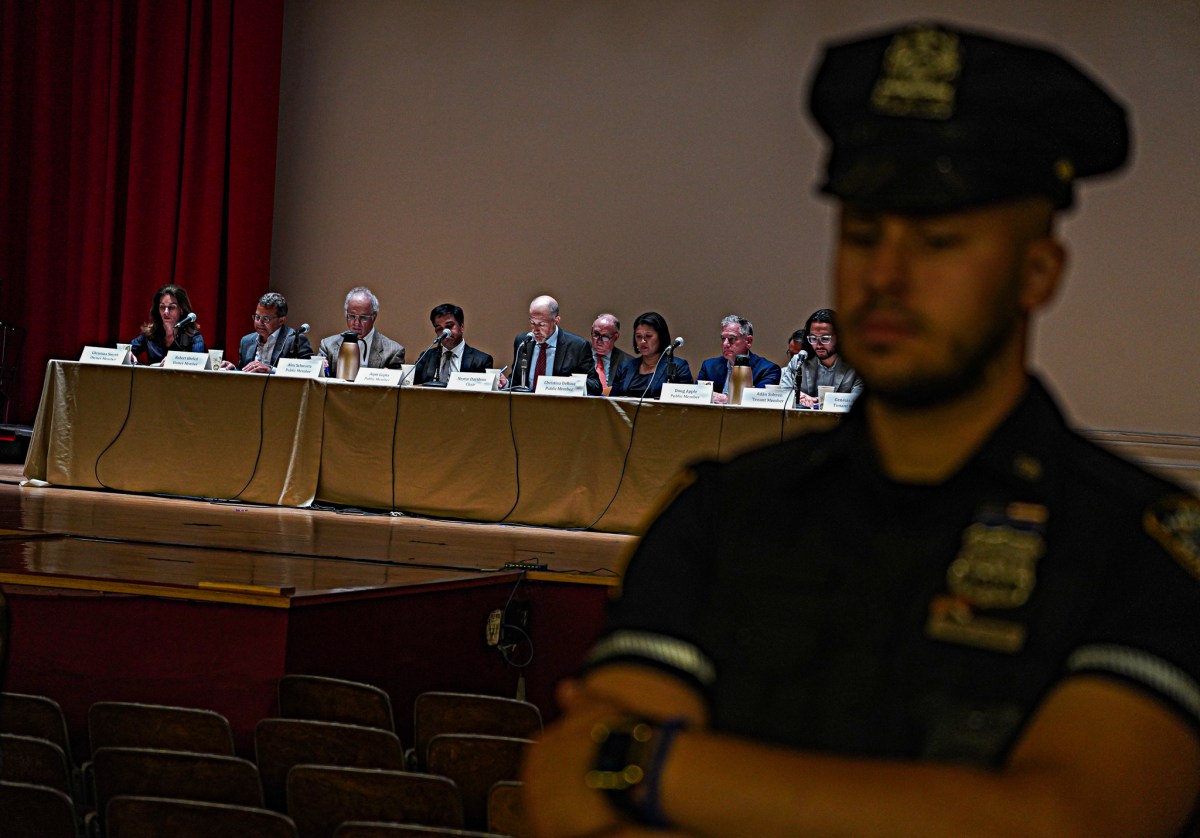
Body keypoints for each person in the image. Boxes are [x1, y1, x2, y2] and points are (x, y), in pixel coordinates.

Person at [523, 21, 1200, 838]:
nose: (885, 275)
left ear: (1038, 272)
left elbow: (1066, 818)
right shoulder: (726, 514)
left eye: (939, 240)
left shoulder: (1140, 550)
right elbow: (565, 794)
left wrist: (655, 763)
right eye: (864, 234)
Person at [506, 295, 600, 395]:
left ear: (556, 321)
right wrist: (505, 383)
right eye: (532, 323)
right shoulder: (523, 342)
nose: (535, 330)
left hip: (560, 407)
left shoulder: (578, 346)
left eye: (541, 324)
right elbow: (516, 381)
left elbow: (596, 386)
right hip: (525, 406)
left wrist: (570, 383)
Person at [779, 308, 864, 407]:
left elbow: (860, 402)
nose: (818, 345)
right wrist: (797, 396)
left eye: (825, 338)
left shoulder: (856, 365)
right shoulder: (799, 361)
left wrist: (822, 401)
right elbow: (783, 392)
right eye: (813, 338)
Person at [695, 314, 781, 404]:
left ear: (748, 341)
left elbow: (759, 400)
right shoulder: (709, 366)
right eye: (723, 338)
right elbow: (698, 396)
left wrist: (728, 399)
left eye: (732, 339)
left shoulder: (768, 370)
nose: (725, 344)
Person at [319, 287, 405, 375]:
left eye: (363, 318)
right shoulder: (327, 346)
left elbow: (395, 387)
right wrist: (320, 370)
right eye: (352, 316)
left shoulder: (393, 351)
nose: (356, 323)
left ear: (374, 317)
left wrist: (389, 376)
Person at [608, 311, 693, 400]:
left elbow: (686, 406)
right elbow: (612, 403)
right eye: (638, 336)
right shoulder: (625, 367)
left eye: (648, 336)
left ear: (661, 337)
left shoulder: (678, 366)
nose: (642, 341)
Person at [223, 292, 313, 373]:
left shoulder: (294, 339)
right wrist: (233, 370)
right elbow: (243, 371)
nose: (259, 323)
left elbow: (309, 372)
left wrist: (271, 370)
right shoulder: (246, 341)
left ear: (281, 320)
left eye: (266, 319)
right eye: (257, 317)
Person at [412, 303, 494, 385]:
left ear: (461, 327)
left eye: (449, 326)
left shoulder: (481, 360)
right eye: (439, 328)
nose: (445, 332)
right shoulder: (426, 357)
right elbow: (412, 385)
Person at [129, 284, 206, 364]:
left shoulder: (194, 337)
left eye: (171, 307)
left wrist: (174, 360)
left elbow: (200, 362)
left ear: (181, 309)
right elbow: (125, 351)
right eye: (162, 307)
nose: (166, 312)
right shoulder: (151, 334)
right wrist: (128, 354)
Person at [589, 313, 630, 395]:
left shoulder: (627, 362)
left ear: (616, 337)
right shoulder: (580, 355)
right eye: (596, 334)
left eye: (605, 337)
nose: (599, 341)